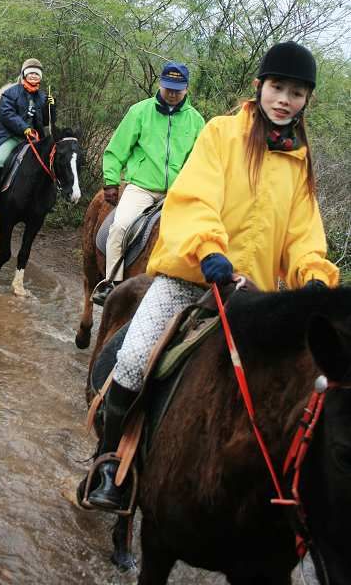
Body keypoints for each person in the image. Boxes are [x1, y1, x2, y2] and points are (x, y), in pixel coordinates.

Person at [84, 41, 339, 512]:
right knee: (136, 359)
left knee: (286, 391)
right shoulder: (222, 133)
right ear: (259, 87)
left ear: (307, 100)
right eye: (278, 87)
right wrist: (212, 255)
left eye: (297, 92)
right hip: (192, 277)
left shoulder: (300, 161)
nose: (285, 99)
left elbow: (305, 232)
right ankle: (107, 467)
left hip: (251, 294)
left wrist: (315, 279)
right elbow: (195, 196)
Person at [92, 62, 205, 306]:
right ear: (160, 85)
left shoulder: (196, 121)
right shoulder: (139, 112)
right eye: (168, 88)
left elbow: (200, 162)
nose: (172, 94)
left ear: (186, 89)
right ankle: (111, 282)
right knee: (120, 226)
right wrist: (111, 181)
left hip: (177, 193)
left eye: (178, 89)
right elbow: (116, 149)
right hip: (141, 188)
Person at [0, 58, 55, 209]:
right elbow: (6, 113)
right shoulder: (11, 92)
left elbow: (45, 121)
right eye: (30, 73)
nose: (33, 76)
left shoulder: (43, 97)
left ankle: (42, 199)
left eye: (37, 74)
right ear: (24, 74)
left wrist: (50, 108)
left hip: (34, 139)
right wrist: (24, 128)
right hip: (11, 136)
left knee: (48, 164)